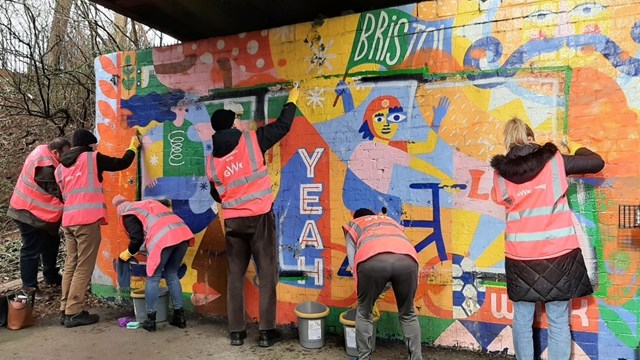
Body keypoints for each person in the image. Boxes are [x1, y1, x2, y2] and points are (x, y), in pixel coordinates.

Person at [490, 118, 605, 360]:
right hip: (558, 253)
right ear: (531, 138)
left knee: (521, 318)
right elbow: (596, 162)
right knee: (559, 320)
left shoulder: (500, 174)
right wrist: (577, 151)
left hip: (520, 258)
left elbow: (503, 200)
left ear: (508, 142)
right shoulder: (554, 162)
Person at [206, 85, 299, 347]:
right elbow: (282, 127)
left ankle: (236, 332)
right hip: (259, 218)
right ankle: (267, 332)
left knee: (235, 276)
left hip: (233, 222)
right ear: (231, 124)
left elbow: (217, 195)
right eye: (234, 117)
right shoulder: (250, 140)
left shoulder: (212, 160)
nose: (238, 119)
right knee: (267, 272)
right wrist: (292, 101)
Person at [55, 128, 140, 328]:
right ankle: (74, 312)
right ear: (89, 144)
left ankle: (65, 308)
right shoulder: (92, 158)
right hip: (86, 220)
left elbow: (63, 194)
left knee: (71, 264)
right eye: (94, 145)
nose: (96, 148)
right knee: (84, 266)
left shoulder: (60, 167)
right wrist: (132, 147)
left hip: (68, 221)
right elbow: (121, 163)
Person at [342, 208, 422, 360]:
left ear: (357, 217)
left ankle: (364, 357)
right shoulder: (389, 221)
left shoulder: (354, 224)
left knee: (364, 313)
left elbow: (352, 264)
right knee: (408, 313)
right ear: (373, 215)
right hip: (408, 260)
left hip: (372, 260)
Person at [113, 195, 195, 332]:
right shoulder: (145, 205)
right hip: (182, 234)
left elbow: (137, 239)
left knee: (153, 277)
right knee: (171, 274)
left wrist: (128, 253)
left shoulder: (128, 214)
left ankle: (150, 321)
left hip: (164, 239)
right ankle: (179, 318)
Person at [8, 137, 71, 291]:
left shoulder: (44, 151)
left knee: (51, 243)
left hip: (38, 212)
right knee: (31, 250)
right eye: (66, 154)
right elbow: (60, 193)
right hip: (29, 213)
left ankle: (51, 276)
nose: (68, 158)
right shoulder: (46, 168)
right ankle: (29, 287)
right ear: (56, 152)